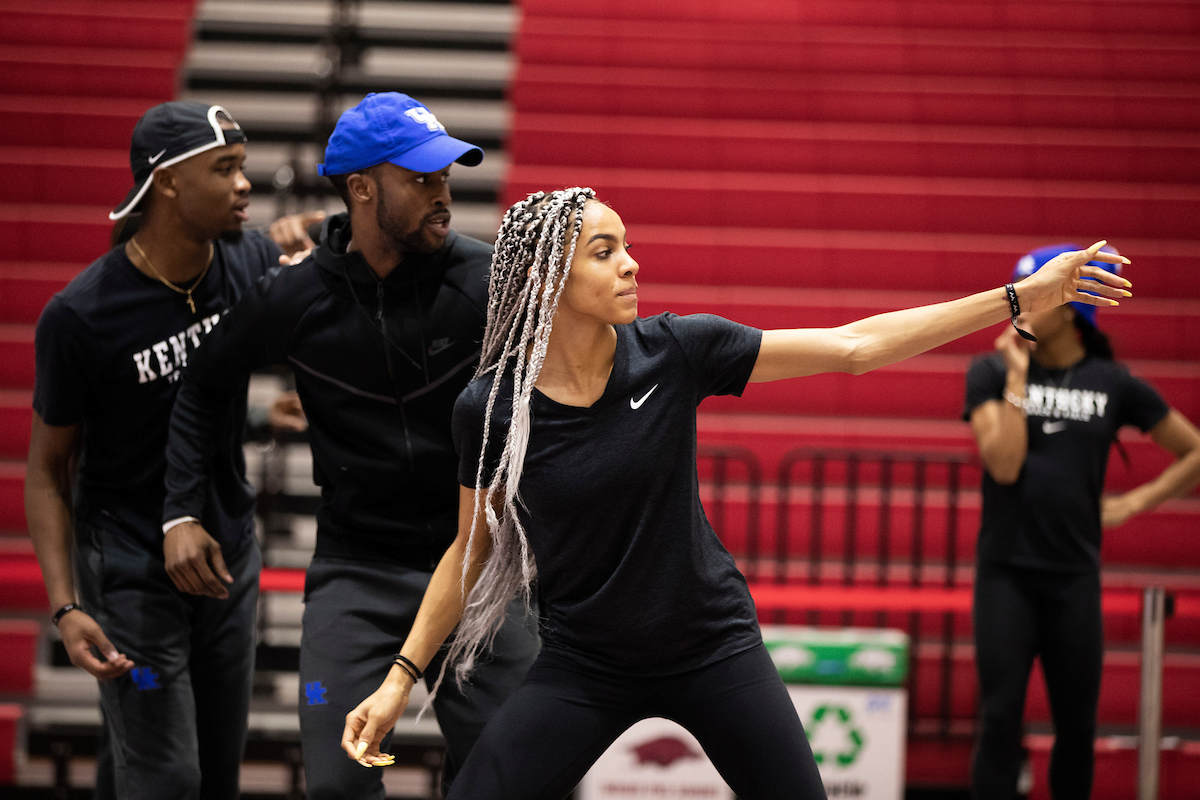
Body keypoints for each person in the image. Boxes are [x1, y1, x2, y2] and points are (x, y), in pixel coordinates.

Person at [341, 188, 1133, 799]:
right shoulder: (492, 408)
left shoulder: (676, 350)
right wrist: (397, 681)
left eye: (629, 248)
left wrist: (1012, 301)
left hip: (712, 647)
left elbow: (855, 348)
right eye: (604, 251)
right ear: (549, 279)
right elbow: (468, 552)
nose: (631, 265)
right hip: (586, 663)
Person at [162, 92, 540, 799]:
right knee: (335, 782)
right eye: (421, 178)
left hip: (479, 568)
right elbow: (200, 389)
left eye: (445, 178)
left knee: (515, 779)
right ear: (363, 188)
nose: (441, 194)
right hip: (356, 569)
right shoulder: (295, 297)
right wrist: (182, 512)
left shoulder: (490, 281)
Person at [24, 101, 302, 799]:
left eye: (243, 167)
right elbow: (47, 471)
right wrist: (65, 605)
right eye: (226, 169)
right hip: (133, 573)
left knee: (203, 774)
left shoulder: (244, 261)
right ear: (170, 183)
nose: (245, 183)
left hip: (227, 560)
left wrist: (264, 410)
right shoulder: (82, 316)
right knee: (167, 776)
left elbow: (192, 400)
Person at [963, 244, 1200, 800]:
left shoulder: (1112, 382)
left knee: (1076, 730)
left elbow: (1193, 450)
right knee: (998, 721)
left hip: (1073, 578)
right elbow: (1004, 464)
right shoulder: (991, 371)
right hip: (1005, 577)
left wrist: (1134, 503)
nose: (1017, 309)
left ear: (1068, 305)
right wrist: (1018, 378)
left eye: (1031, 295)